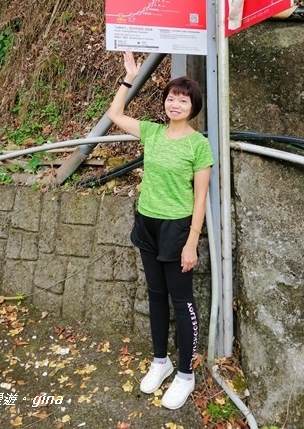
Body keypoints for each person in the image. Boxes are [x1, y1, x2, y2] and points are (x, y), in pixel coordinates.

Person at [107, 50, 214, 410]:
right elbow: (115, 115)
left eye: (183, 100)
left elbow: (200, 199)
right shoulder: (152, 133)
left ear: (193, 106)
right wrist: (129, 78)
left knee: (182, 301)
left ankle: (186, 373)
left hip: (177, 228)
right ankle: (160, 361)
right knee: (155, 295)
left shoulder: (199, 146)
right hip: (147, 221)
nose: (175, 104)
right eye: (171, 98)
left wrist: (192, 242)